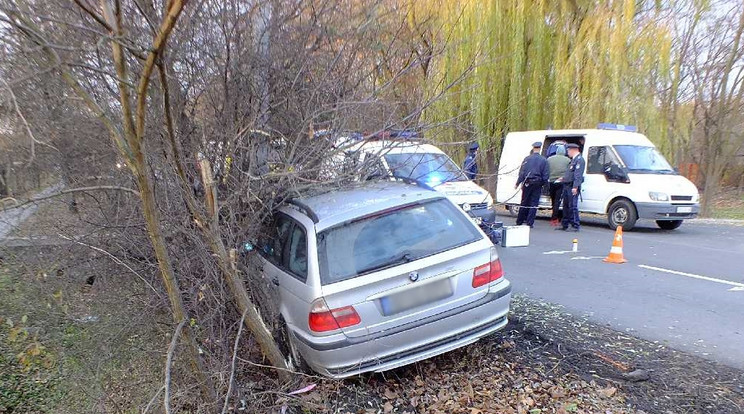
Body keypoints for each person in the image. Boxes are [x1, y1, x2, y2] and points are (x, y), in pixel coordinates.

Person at [515, 141, 549, 227]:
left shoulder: (527, 159)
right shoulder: (544, 160)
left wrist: (517, 183)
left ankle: (519, 220)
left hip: (527, 183)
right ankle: (530, 222)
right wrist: (546, 185)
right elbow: (545, 175)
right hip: (537, 184)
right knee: (534, 203)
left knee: (524, 202)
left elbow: (522, 172)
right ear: (540, 149)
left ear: (533, 148)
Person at [556, 143, 585, 232]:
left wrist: (575, 187)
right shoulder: (573, 160)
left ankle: (575, 225)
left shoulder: (579, 160)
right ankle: (565, 224)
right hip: (567, 185)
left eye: (568, 150)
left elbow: (578, 175)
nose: (567, 152)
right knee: (566, 206)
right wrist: (564, 179)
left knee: (572, 206)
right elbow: (570, 173)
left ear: (573, 150)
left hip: (572, 186)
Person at [547, 145, 570, 226]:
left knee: (553, 200)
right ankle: (555, 218)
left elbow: (547, 169)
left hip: (551, 182)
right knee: (557, 200)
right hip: (561, 182)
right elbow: (569, 172)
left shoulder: (549, 159)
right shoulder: (568, 160)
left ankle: (554, 215)